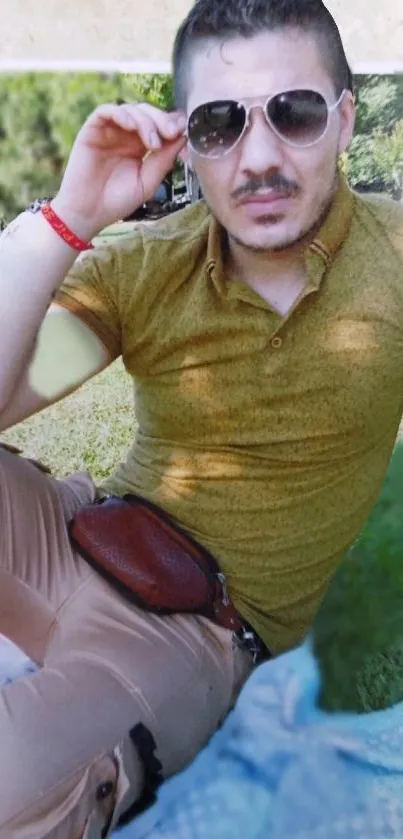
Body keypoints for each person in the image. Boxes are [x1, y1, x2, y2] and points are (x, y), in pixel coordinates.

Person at [0, 0, 402, 835]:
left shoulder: (395, 262)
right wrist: (66, 221)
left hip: (198, 630)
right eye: (220, 124)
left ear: (344, 118)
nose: (258, 158)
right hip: (76, 533)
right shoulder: (145, 264)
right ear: (186, 139)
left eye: (295, 113)